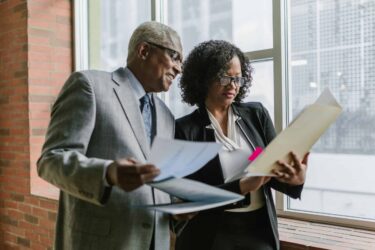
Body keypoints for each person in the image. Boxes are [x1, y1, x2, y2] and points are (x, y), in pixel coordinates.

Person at [37, 21, 184, 250]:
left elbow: (157, 184)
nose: (179, 68)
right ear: (144, 50)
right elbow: (51, 160)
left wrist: (178, 208)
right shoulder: (89, 86)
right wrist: (108, 173)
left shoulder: (167, 117)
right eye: (174, 56)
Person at [175, 40, 310, 250]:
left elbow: (272, 172)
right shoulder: (185, 129)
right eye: (224, 77)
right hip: (209, 236)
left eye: (238, 78)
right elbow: (191, 199)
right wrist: (241, 186)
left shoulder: (256, 115)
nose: (233, 85)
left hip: (258, 231)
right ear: (203, 79)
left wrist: (295, 180)